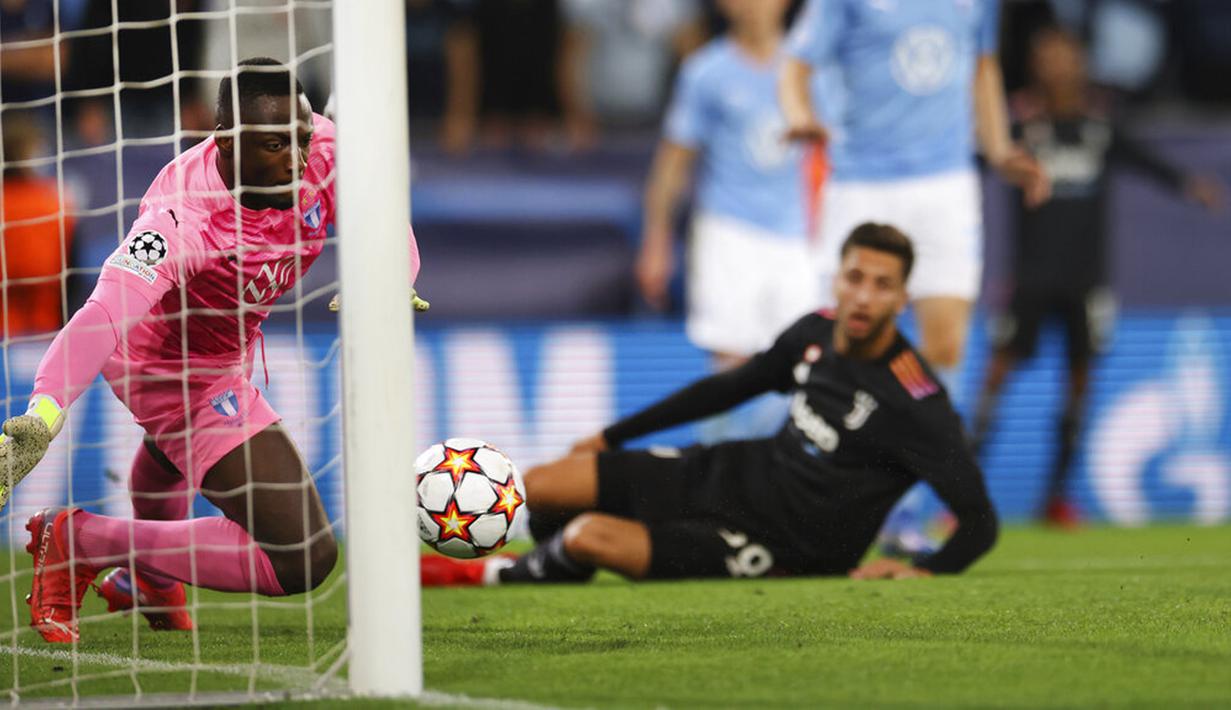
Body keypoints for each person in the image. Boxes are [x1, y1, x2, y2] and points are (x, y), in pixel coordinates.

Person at [0, 58, 421, 643]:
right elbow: (101, 315)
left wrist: (396, 275)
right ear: (226, 140)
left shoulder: (317, 146)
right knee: (305, 556)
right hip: (170, 368)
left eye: (300, 139)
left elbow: (376, 197)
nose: (298, 162)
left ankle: (149, 579)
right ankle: (81, 541)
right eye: (276, 145)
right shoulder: (179, 218)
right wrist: (44, 413)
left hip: (225, 342)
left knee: (174, 454)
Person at [422, 223, 998, 587]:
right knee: (538, 483)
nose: (865, 296)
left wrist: (921, 570)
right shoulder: (814, 333)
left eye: (882, 284)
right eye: (856, 277)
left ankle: (504, 575)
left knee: (591, 536)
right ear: (838, 280)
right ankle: (551, 557)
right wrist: (613, 434)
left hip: (780, 546)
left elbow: (979, 522)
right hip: (728, 475)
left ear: (903, 297)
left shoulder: (916, 402)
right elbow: (725, 389)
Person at [777, 0, 1049, 553]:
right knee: (848, 344)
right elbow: (795, 66)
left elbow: (983, 64)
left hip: (945, 184)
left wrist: (997, 148)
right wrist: (800, 114)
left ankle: (903, 509)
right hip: (862, 183)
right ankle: (823, 499)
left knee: (945, 346)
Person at [969, 27, 1226, 526]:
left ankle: (1056, 499)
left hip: (1086, 280)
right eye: (1047, 56)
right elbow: (979, 156)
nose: (1058, 66)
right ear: (1035, 64)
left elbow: (1146, 162)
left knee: (1079, 386)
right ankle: (964, 494)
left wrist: (1190, 184)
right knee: (995, 380)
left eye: (1066, 56)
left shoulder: (1098, 127)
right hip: (1030, 278)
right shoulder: (1020, 126)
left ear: (1081, 63)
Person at [637, 0, 827, 443]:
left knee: (801, 364)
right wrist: (656, 241)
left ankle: (779, 492)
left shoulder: (811, 69)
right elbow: (672, 165)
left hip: (796, 239)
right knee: (731, 366)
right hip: (729, 234)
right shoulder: (706, 72)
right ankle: (718, 493)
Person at [1, 114, 76, 338]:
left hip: (7, 329)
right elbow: (72, 269)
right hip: (47, 328)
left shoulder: (53, 201)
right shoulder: (55, 202)